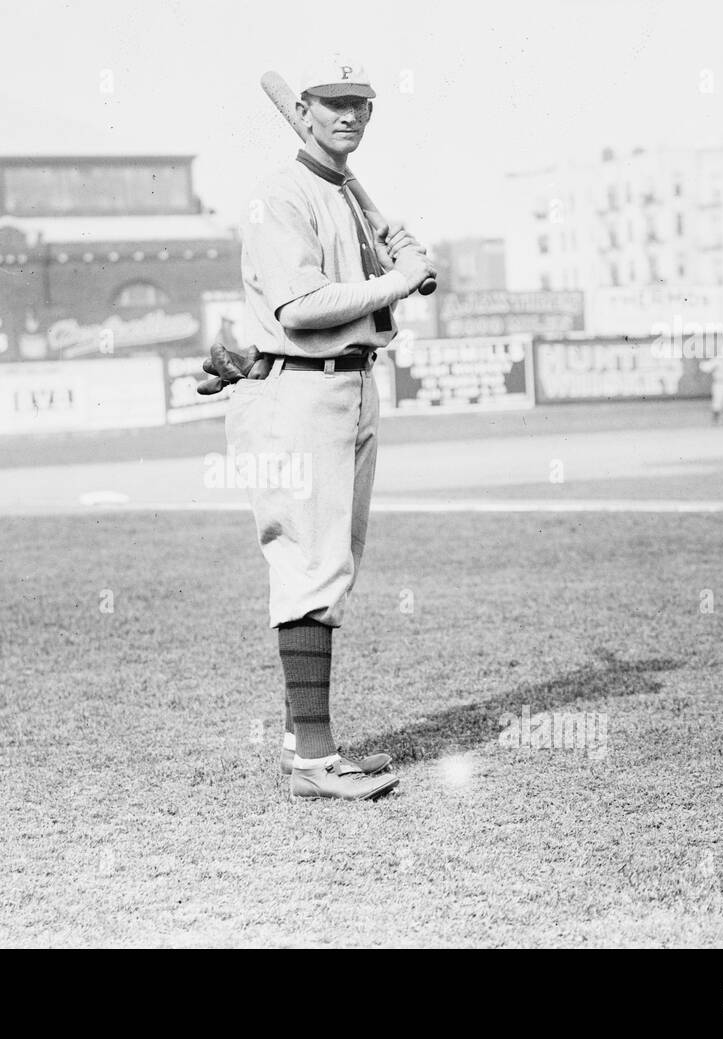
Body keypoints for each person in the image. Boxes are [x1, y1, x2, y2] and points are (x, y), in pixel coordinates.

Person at [199, 56, 437, 802]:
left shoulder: (347, 197)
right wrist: (398, 278)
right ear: (301, 114)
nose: (349, 116)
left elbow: (358, 295)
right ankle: (313, 761)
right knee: (309, 566)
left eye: (360, 104)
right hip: (296, 390)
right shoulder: (280, 196)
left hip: (351, 387)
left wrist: (393, 252)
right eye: (332, 105)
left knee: (331, 563)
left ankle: (309, 738)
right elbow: (301, 307)